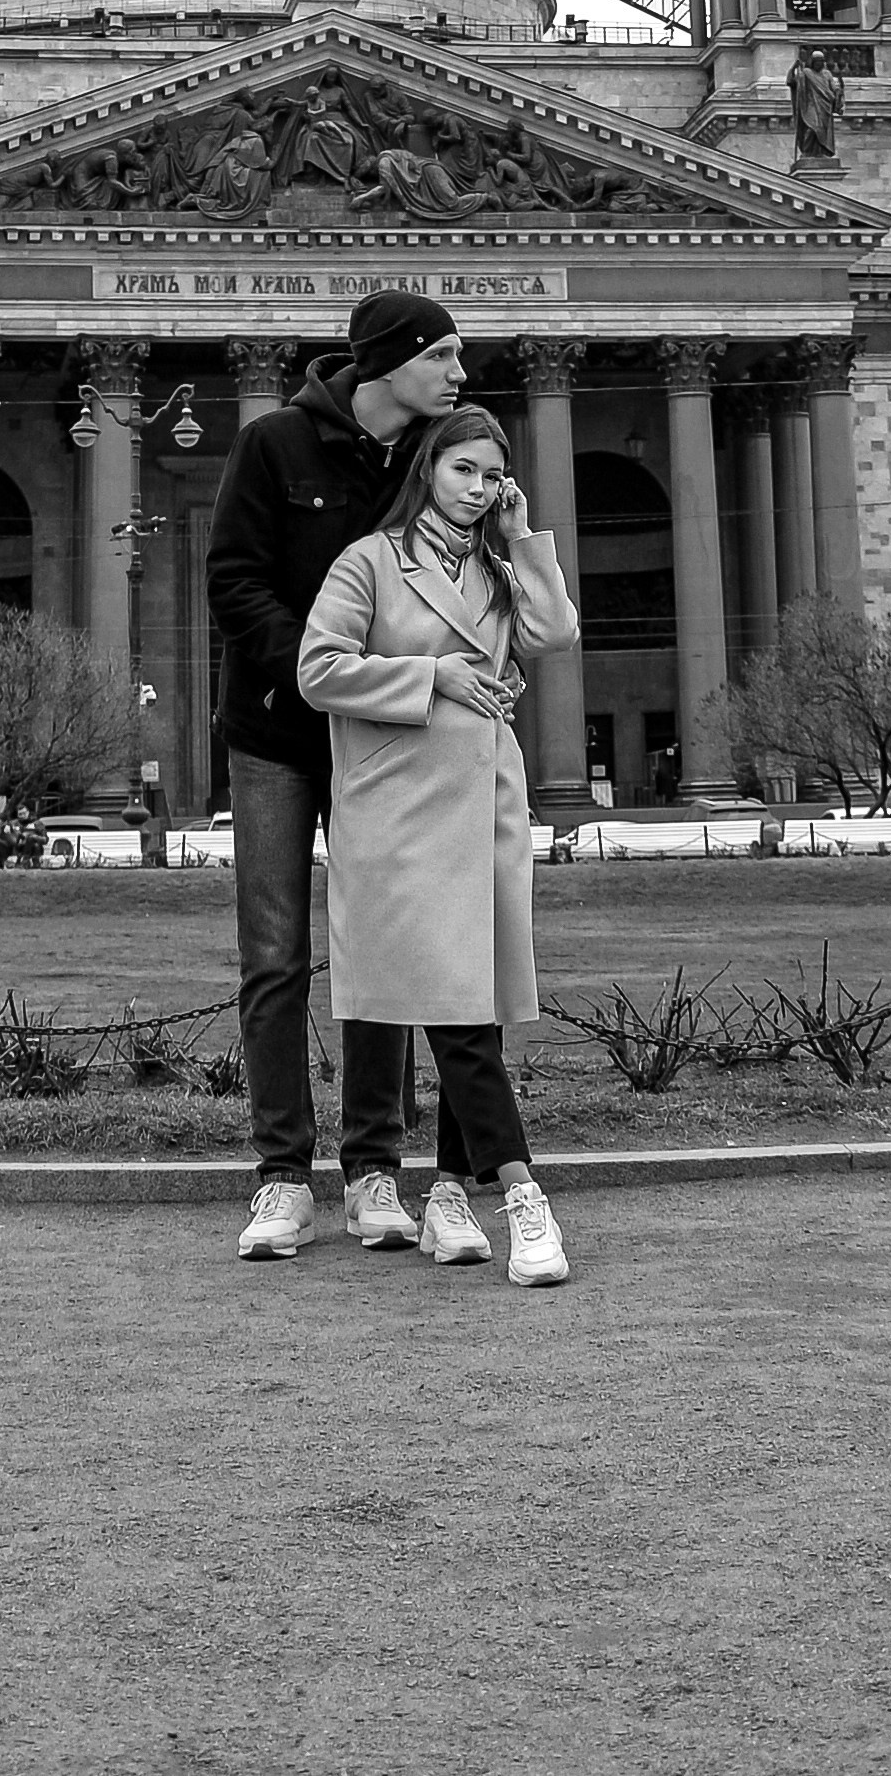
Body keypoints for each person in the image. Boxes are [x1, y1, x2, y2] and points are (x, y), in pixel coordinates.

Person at [207, 289, 465, 1259]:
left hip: (382, 744)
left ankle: (371, 1173)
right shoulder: (274, 445)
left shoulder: (435, 462)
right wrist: (317, 673)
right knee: (273, 952)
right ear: (390, 362)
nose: (458, 374)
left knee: (379, 949)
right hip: (277, 734)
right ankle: (281, 1178)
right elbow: (233, 576)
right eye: (442, 356)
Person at [298, 407, 580, 1287]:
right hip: (400, 815)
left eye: (492, 475)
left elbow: (554, 634)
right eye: (463, 470)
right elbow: (318, 670)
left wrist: (524, 536)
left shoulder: (498, 570)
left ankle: (452, 1192)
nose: (478, 487)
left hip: (484, 802)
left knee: (479, 1001)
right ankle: (523, 1194)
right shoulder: (370, 561)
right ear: (428, 470)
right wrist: (431, 675)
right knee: (457, 1019)